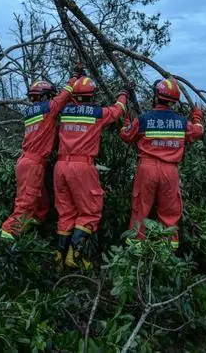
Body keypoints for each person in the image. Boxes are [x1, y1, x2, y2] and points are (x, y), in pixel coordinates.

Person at [53, 76, 130, 271]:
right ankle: (74, 255)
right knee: (90, 212)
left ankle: (58, 260)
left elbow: (67, 99)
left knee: (66, 213)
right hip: (82, 167)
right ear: (92, 95)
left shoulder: (64, 110)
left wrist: (74, 77)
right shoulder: (97, 113)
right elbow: (118, 110)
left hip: (60, 167)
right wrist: (123, 93)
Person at [119, 77, 204, 252]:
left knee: (140, 210)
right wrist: (196, 117)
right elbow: (198, 132)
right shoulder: (181, 122)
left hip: (147, 169)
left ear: (156, 96)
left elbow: (126, 136)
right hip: (170, 172)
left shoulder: (143, 120)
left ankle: (135, 255)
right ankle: (167, 256)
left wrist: (125, 123)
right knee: (169, 214)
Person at [0, 66, 83, 240]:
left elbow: (49, 130)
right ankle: (6, 239)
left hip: (26, 161)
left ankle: (34, 230)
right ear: (44, 96)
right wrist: (75, 76)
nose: (52, 99)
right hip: (33, 164)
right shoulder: (48, 109)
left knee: (41, 203)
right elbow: (64, 95)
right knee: (26, 203)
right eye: (50, 96)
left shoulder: (31, 112)